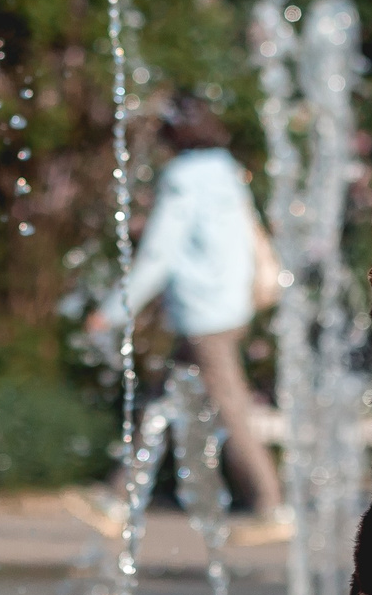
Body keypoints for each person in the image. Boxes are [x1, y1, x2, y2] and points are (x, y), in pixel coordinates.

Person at [80, 96, 290, 544]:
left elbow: (159, 255)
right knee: (160, 398)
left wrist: (113, 311)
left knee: (229, 407)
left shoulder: (183, 179)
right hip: (229, 306)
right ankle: (116, 499)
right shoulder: (226, 172)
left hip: (203, 312)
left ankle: (271, 506)